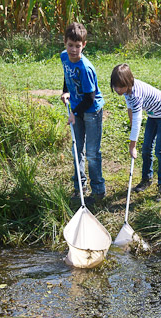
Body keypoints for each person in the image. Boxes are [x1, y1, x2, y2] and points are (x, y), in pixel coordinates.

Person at [110, 63, 161, 201]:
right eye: (115, 86)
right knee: (146, 148)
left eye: (120, 86)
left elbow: (138, 120)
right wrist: (131, 125)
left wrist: (132, 145)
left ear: (128, 83)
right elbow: (130, 108)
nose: (117, 89)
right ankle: (147, 179)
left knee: (160, 150)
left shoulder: (136, 93)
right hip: (153, 115)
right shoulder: (127, 91)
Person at [60, 22, 105, 205]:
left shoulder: (85, 68)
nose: (73, 50)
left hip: (91, 111)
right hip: (77, 108)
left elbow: (90, 98)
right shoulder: (64, 57)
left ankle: (98, 190)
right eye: (70, 45)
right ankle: (80, 186)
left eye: (77, 46)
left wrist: (74, 113)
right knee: (76, 149)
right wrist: (65, 91)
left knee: (92, 152)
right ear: (65, 43)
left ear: (84, 45)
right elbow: (67, 75)